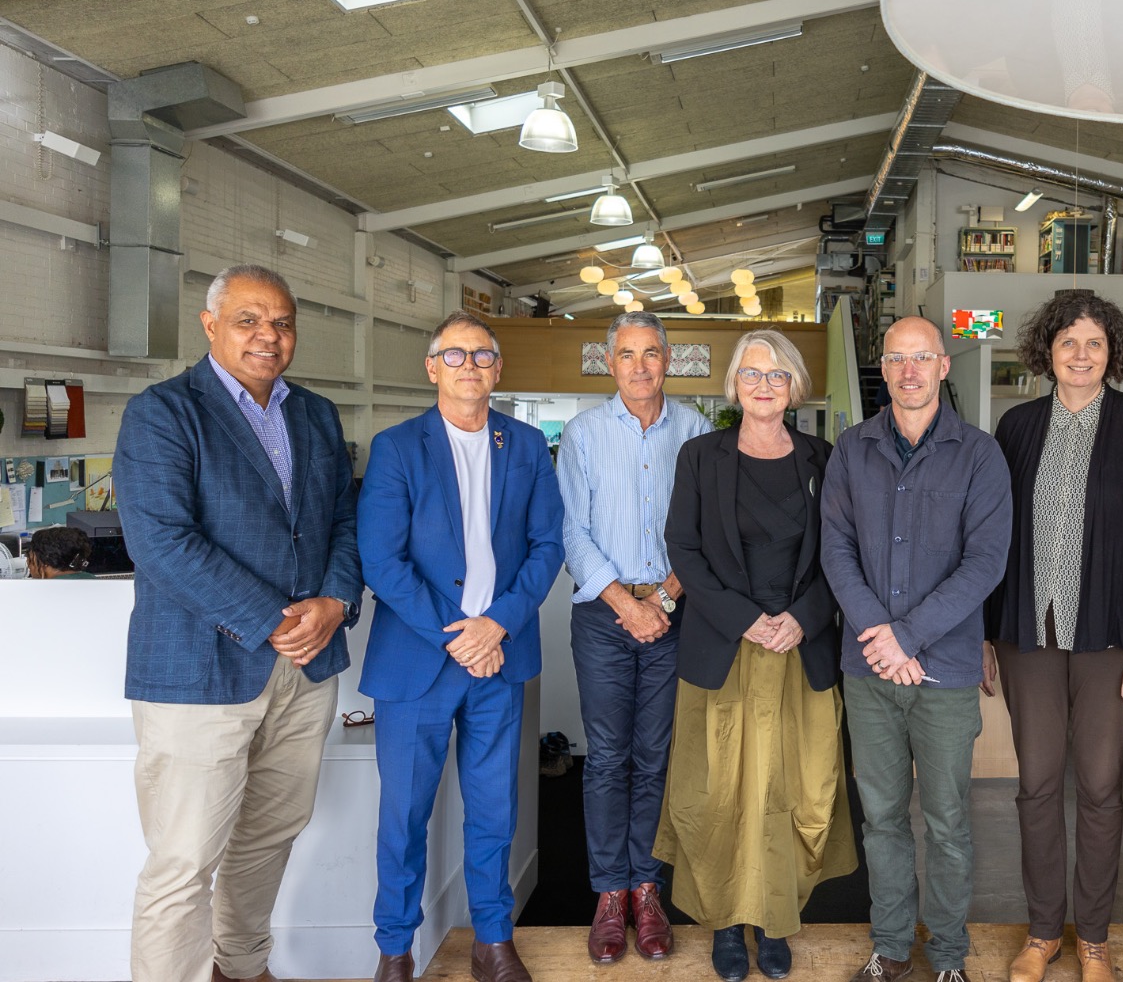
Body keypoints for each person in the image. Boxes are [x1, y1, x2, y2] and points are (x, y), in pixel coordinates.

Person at [113, 263, 361, 982]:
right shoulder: (163, 412)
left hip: (305, 671)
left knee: (268, 837)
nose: (268, 336)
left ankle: (243, 969)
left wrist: (336, 601)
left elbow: (342, 520)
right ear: (211, 324)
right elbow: (161, 541)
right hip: (199, 670)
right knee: (184, 860)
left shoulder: (313, 413)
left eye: (281, 323)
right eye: (249, 319)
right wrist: (274, 619)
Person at [357, 311, 566, 982]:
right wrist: (460, 635)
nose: (469, 366)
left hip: (498, 660)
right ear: (432, 368)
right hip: (422, 659)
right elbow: (381, 560)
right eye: (455, 355)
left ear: (498, 370)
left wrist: (497, 624)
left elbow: (547, 547)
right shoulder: (396, 447)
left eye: (482, 356)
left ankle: (493, 940)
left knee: (495, 810)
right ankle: (395, 949)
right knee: (404, 817)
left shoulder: (528, 445)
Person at [987, 290, 1123, 982]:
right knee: (1037, 786)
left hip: (1109, 643)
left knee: (1100, 787)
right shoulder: (1017, 427)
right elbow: (994, 540)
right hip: (1028, 636)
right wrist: (987, 634)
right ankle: (1042, 933)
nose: (1080, 354)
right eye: (1068, 342)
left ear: (1113, 353)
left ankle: (1093, 937)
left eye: (1094, 343)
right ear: (1048, 351)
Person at [656, 330, 858, 982]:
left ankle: (774, 920)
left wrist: (802, 618)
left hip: (801, 654)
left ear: (795, 385)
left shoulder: (824, 460)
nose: (764, 384)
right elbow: (683, 550)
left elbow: (845, 555)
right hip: (723, 647)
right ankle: (722, 924)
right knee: (717, 793)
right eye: (752, 373)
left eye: (777, 374)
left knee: (790, 792)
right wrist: (746, 620)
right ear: (735, 384)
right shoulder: (699, 456)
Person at [820, 315, 1013, 982]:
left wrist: (907, 636)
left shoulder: (979, 454)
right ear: (884, 366)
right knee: (881, 819)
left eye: (921, 358)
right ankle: (892, 945)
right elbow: (836, 552)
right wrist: (882, 638)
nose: (909, 371)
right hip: (869, 670)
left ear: (943, 366)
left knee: (949, 821)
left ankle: (951, 955)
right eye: (897, 359)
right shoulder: (851, 448)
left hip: (945, 671)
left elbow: (985, 563)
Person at [556, 311, 711, 963]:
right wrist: (626, 603)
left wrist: (667, 596)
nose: (641, 365)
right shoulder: (584, 434)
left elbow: (710, 529)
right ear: (609, 362)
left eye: (652, 353)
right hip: (605, 616)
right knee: (608, 758)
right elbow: (571, 531)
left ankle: (646, 887)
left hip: (674, 610)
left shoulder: (698, 431)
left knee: (655, 757)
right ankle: (607, 894)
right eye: (628, 354)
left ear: (667, 360)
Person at [25, 525, 94, 578]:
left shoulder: (44, 591)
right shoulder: (92, 579)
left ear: (43, 562)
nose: (29, 566)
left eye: (30, 560)